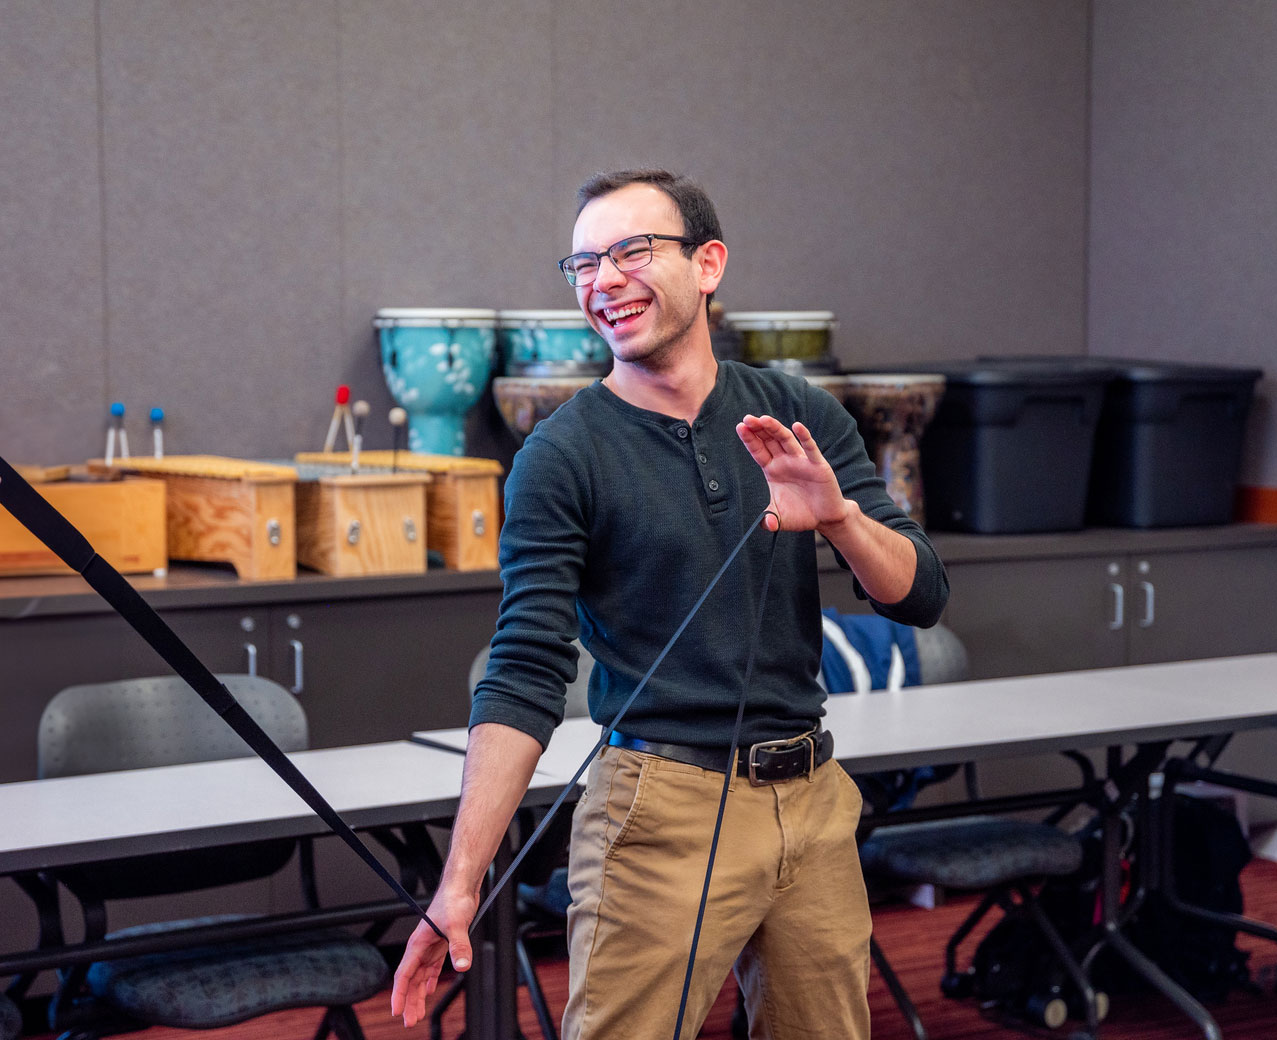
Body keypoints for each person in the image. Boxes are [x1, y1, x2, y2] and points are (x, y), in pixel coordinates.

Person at [391, 169, 949, 1038]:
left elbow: (919, 595)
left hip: (811, 796)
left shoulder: (799, 414)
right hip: (657, 808)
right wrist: (458, 884)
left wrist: (836, 516)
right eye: (582, 264)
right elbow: (524, 668)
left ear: (708, 264)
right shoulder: (560, 453)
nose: (602, 280)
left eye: (629, 251)